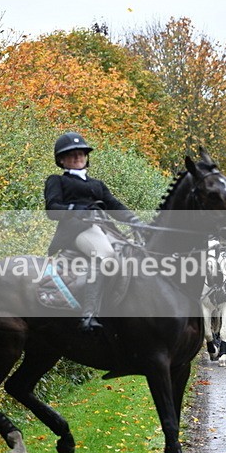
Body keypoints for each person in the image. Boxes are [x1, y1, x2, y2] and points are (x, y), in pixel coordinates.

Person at [44, 131, 143, 332]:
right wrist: (74, 210)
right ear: (62, 160)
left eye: (81, 153)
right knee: (106, 256)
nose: (78, 157)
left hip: (104, 229)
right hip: (77, 231)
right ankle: (89, 314)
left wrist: (134, 220)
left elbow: (113, 205)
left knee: (133, 255)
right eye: (72, 154)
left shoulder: (96, 184)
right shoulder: (57, 180)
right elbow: (52, 209)